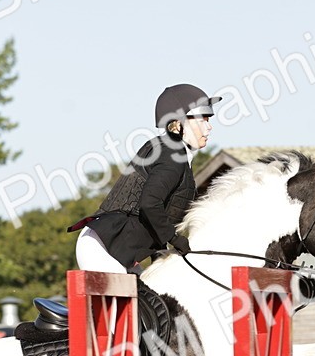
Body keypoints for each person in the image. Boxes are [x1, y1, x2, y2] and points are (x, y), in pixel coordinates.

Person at [69, 83, 221, 274]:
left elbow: (161, 213)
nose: (209, 127)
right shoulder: (171, 155)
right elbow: (149, 203)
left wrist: (162, 249)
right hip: (102, 248)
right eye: (203, 120)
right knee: (137, 301)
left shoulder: (177, 155)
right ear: (180, 122)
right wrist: (173, 239)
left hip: (119, 251)